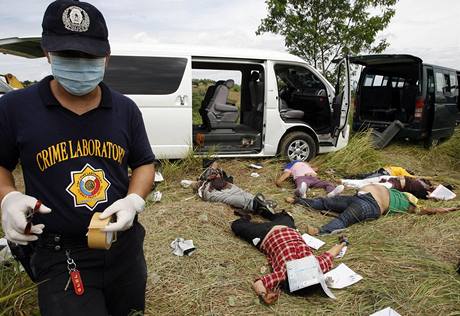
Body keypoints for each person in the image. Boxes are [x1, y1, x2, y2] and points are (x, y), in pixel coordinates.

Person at [0, 1, 155, 315]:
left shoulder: (125, 110)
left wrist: (133, 201)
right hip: (59, 252)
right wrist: (7, 198)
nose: (80, 64)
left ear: (106, 57)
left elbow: (144, 163)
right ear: (48, 54)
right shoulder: (15, 108)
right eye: (69, 55)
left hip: (121, 246)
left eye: (90, 56)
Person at [231, 210, 348, 304]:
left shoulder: (283, 274)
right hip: (288, 228)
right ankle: (263, 211)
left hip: (264, 235)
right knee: (286, 215)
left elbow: (258, 283)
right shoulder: (316, 265)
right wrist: (343, 243)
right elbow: (331, 253)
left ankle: (246, 218)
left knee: (237, 225)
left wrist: (263, 295)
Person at [287, 184, 460, 235]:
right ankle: (298, 200)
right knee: (325, 202)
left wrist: (452, 208)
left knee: (345, 219)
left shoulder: (410, 206)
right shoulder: (400, 194)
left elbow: (430, 210)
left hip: (371, 205)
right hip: (359, 197)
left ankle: (320, 231)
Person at [186, 161, 276, 217]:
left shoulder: (216, 171)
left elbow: (215, 165)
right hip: (210, 190)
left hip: (223, 185)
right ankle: (256, 204)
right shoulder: (204, 181)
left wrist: (215, 170)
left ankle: (259, 203)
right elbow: (194, 184)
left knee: (241, 193)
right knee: (230, 198)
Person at [275, 160, 344, 198]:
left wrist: (323, 170)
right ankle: (301, 193)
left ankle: (332, 193)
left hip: (314, 179)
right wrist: (279, 182)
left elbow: (316, 168)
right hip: (302, 177)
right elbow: (286, 174)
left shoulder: (307, 165)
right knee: (301, 185)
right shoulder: (291, 166)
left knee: (327, 183)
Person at [341, 176, 434, 199]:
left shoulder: (422, 190)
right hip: (391, 179)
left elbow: (425, 195)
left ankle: (345, 185)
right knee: (364, 181)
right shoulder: (423, 182)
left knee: (369, 185)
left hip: (393, 184)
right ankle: (343, 181)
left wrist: (431, 195)